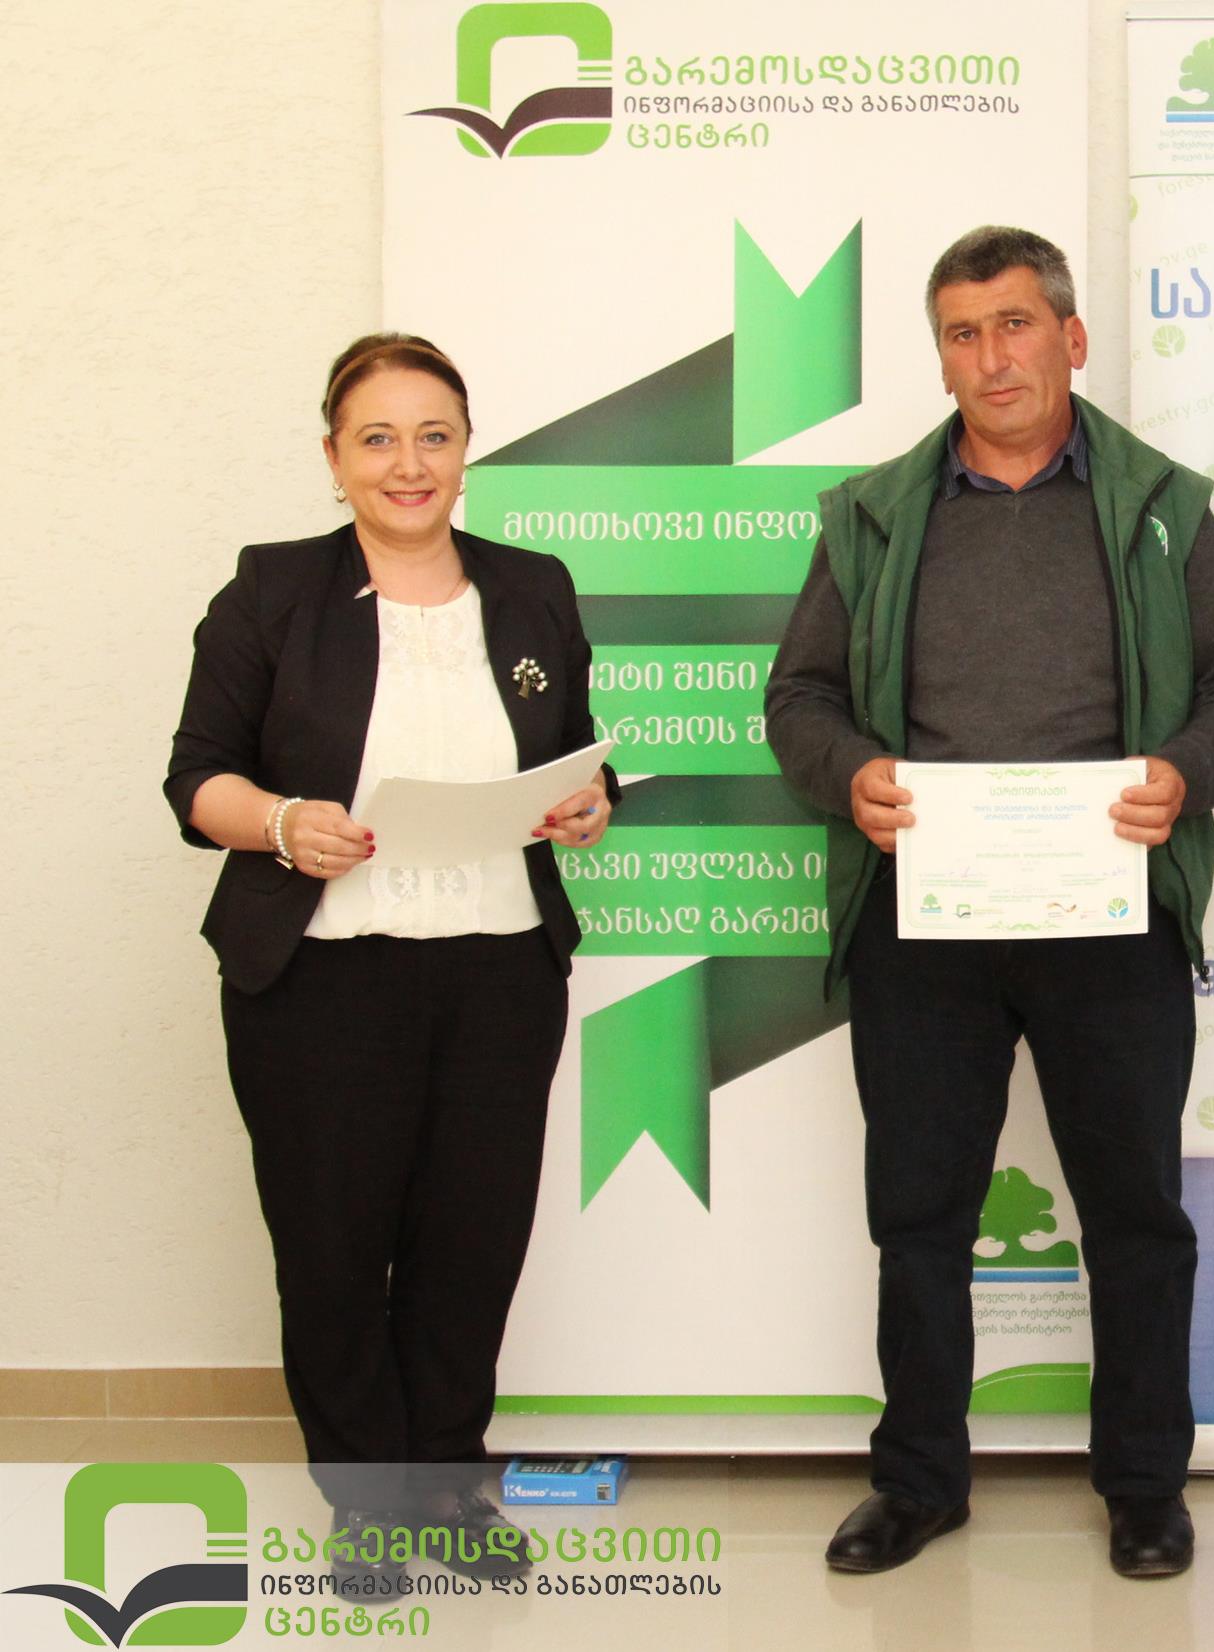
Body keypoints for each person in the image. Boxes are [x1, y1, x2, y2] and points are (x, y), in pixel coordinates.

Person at [765, 226, 1214, 1579]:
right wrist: (850, 773)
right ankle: (918, 1481)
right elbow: (799, 698)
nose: (990, 357)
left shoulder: (1160, 505)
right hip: (924, 922)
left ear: (1069, 336)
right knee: (918, 1215)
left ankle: (1145, 1486)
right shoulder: (872, 514)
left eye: (1013, 324)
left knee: (1136, 1215)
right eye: (961, 333)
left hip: (1110, 917)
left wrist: (1182, 773)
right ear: (939, 356)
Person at [165, 333, 615, 1587]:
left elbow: (575, 745)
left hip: (499, 970)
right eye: (377, 437)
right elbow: (195, 774)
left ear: (467, 451)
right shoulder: (272, 589)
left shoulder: (532, 586)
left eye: (434, 435)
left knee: (472, 1242)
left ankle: (446, 1483)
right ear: (334, 456)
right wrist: (279, 822)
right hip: (323, 975)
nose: (408, 462)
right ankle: (367, 1504)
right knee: (333, 1245)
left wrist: (592, 801)